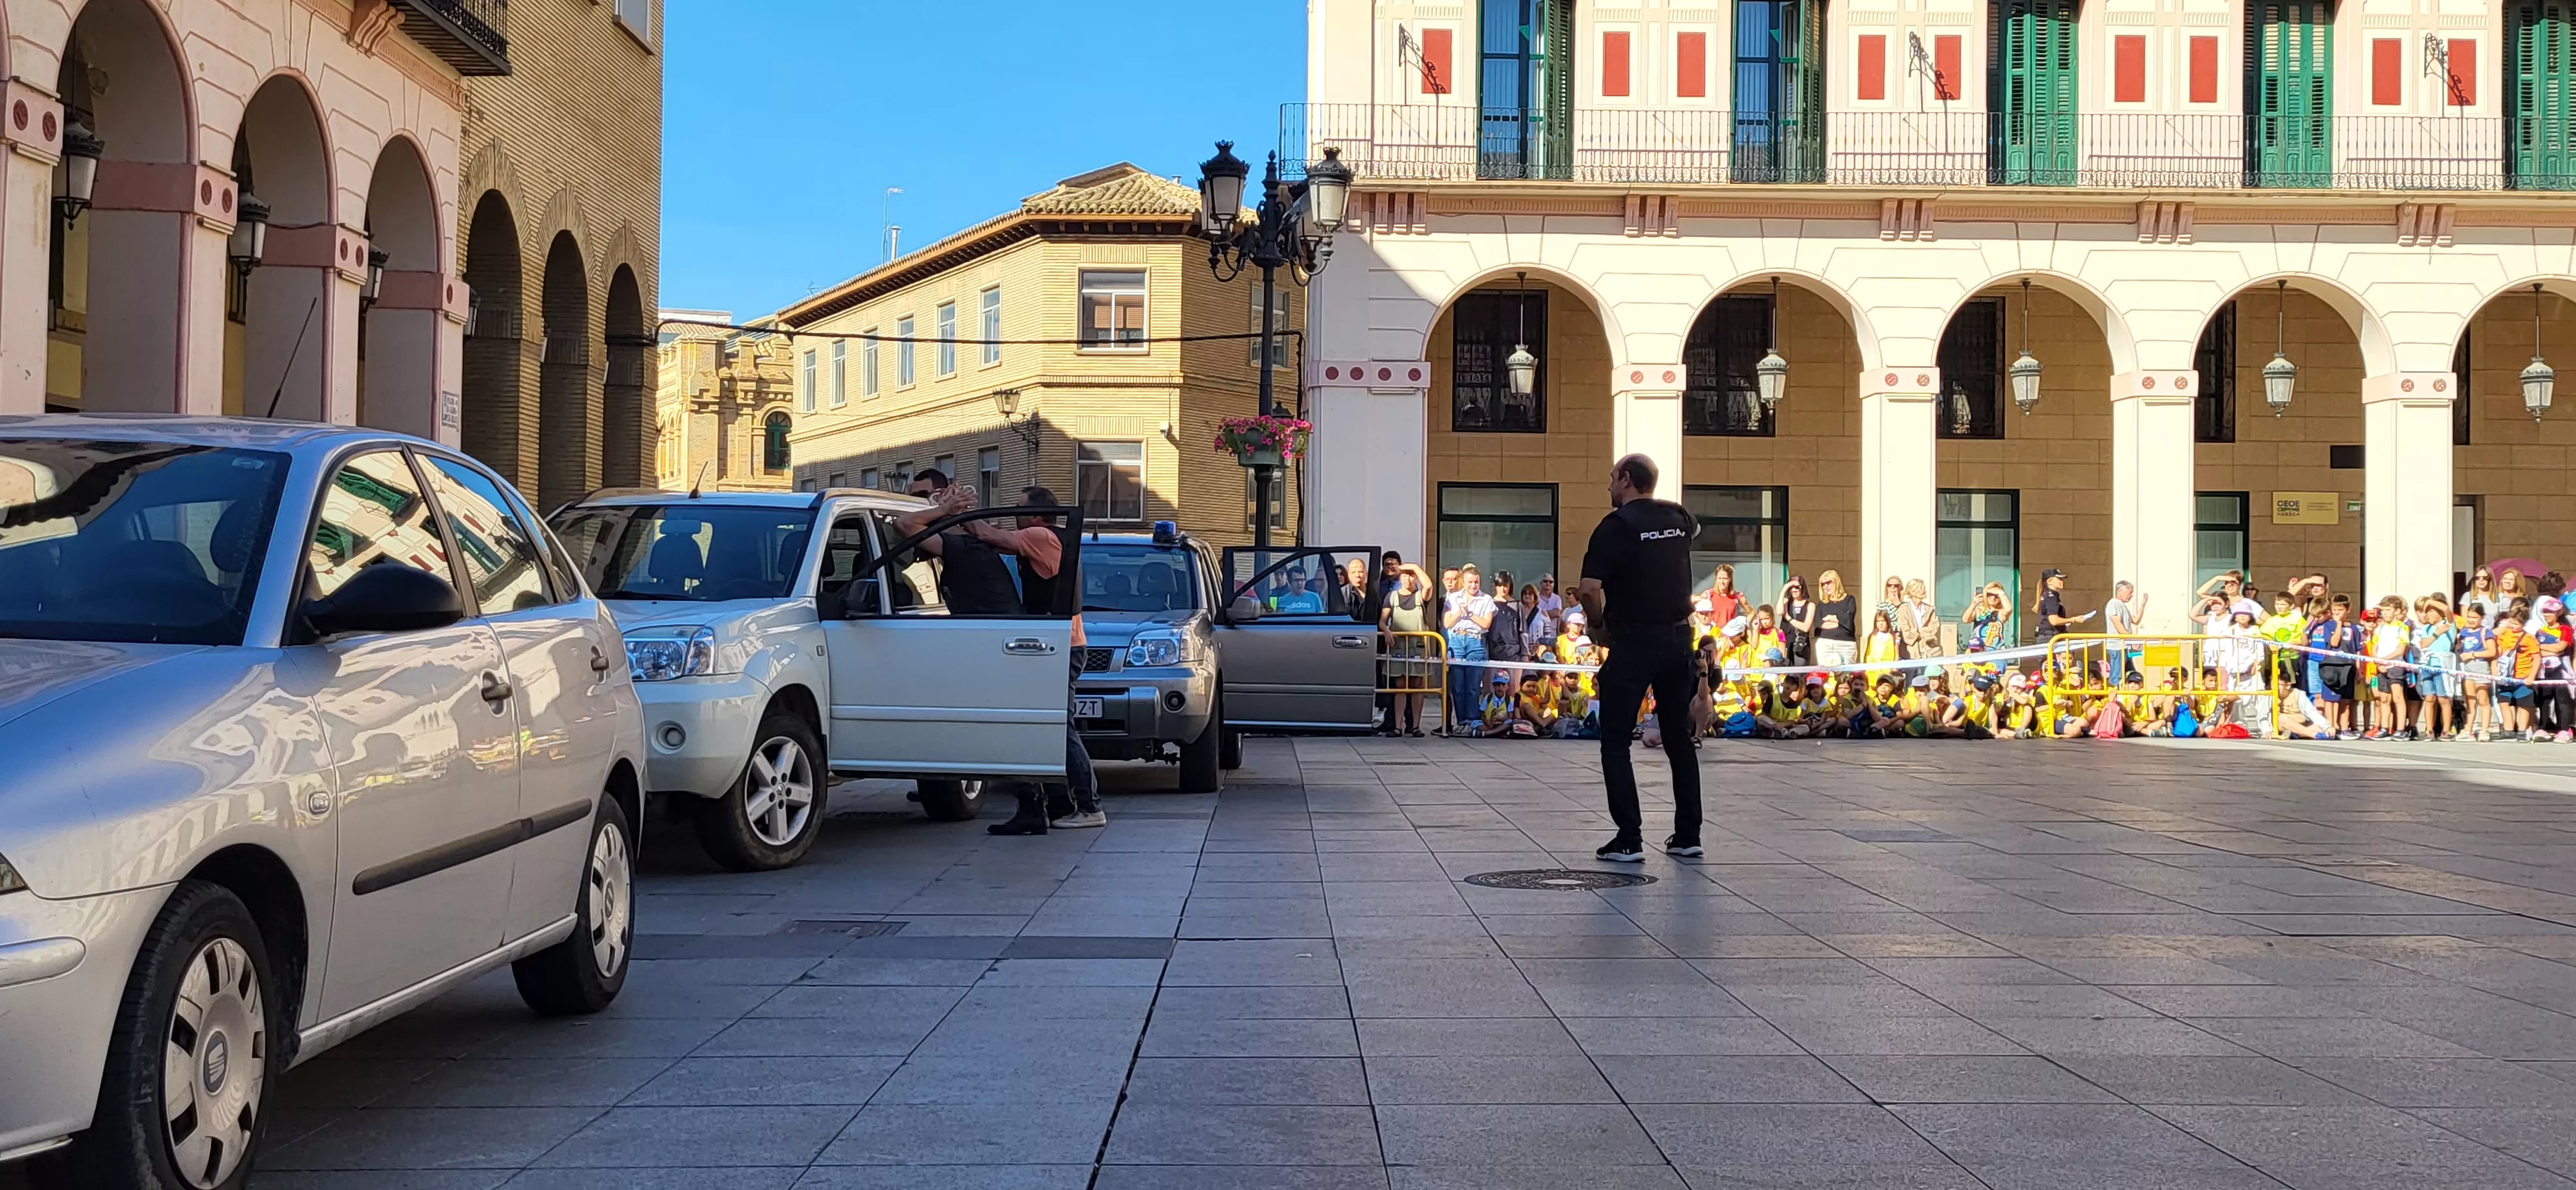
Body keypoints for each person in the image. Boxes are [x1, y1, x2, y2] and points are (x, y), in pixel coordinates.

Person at [930, 480, 1107, 835]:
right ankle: (1055, 807)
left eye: (1019, 511)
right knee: (1047, 726)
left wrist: (955, 510)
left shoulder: (1041, 535)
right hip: (1065, 643)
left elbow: (989, 536)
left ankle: (1089, 805)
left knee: (1059, 728)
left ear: (1037, 515)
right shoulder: (1051, 538)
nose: (1014, 518)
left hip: (1062, 646)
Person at [1578, 453, 1704, 862]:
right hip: (1679, 639)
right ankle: (1687, 836)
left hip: (1634, 639)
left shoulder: (1616, 526)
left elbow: (1589, 589)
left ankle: (1629, 837)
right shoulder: (1680, 517)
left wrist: (1598, 626)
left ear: (1627, 480)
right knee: (1678, 738)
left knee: (1615, 739)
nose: (1609, 486)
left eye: (1613, 478)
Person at [1380, 564, 1434, 737]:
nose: (1407, 578)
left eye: (1411, 575)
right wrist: (1387, 631)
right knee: (1400, 686)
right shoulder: (1392, 596)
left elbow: (1429, 586)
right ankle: (1398, 726)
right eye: (1404, 575)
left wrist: (1414, 567)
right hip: (1398, 647)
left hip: (1417, 648)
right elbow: (1382, 620)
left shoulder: (1420, 597)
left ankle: (1416, 726)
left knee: (1417, 686)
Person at [1443, 562, 1494, 733]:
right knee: (1457, 685)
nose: (1473, 586)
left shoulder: (1486, 599)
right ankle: (1461, 721)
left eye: (1476, 582)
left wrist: (1471, 614)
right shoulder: (1454, 598)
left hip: (1475, 641)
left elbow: (1486, 624)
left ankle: (1472, 720)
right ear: (1463, 582)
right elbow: (1447, 622)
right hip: (1457, 640)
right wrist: (1460, 612)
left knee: (1473, 686)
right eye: (1470, 582)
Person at [2459, 604, 2496, 742]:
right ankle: (2468, 729)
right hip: (2467, 670)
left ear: (2482, 618)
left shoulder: (2486, 632)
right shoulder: (2464, 632)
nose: (2471, 620)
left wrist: (2472, 655)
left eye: (2475, 617)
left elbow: (2492, 652)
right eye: (2469, 617)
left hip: (2481, 668)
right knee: (2470, 701)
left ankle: (2485, 730)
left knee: (2483, 700)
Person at [1811, 570, 1860, 668]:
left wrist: (1833, 618)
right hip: (1825, 645)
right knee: (1826, 678)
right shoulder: (1821, 605)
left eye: (1829, 583)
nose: (1826, 587)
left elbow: (1849, 622)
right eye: (1823, 584)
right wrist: (1839, 621)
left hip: (1846, 646)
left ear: (1836, 582)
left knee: (1846, 678)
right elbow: (1819, 626)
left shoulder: (1850, 600)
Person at [2103, 580, 2146, 683]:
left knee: (2131, 675)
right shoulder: (2114, 604)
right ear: (2120, 590)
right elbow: (2118, 626)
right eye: (2129, 593)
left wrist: (2143, 605)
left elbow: (2135, 621)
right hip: (2117, 646)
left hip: (2124, 646)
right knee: (2117, 676)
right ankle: (2112, 697)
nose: (2131, 596)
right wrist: (2133, 640)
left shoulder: (2122, 606)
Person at [1897, 580, 1941, 661]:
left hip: (1930, 652)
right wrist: (1919, 635)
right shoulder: (1904, 609)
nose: (1924, 591)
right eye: (1921, 588)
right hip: (1911, 654)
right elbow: (1904, 632)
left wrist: (1918, 632)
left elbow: (1934, 628)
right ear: (1913, 592)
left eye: (1924, 588)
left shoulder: (1930, 609)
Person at [1779, 574, 1817, 666]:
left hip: (1801, 644)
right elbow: (1779, 611)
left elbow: (1805, 628)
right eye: (1791, 587)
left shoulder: (1810, 605)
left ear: (1802, 587)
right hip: (1786, 643)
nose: (1794, 590)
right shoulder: (1786, 602)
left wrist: (1788, 617)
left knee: (1800, 674)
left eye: (1797, 587)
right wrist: (1783, 590)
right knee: (1785, 673)